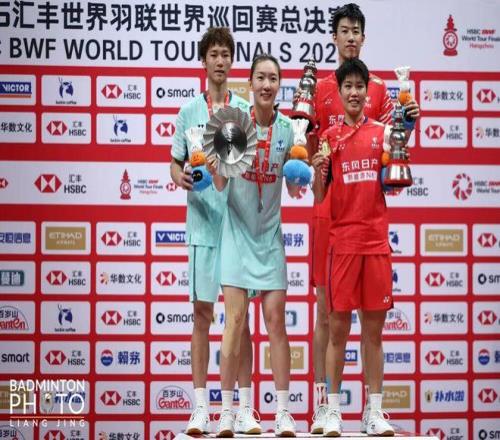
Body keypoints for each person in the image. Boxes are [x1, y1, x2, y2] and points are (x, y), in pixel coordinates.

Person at [307, 3, 420, 434]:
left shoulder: (381, 109)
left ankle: (373, 410)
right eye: (345, 30)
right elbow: (310, 159)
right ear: (334, 36)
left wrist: (409, 127)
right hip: (333, 227)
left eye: (357, 30)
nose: (354, 93)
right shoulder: (321, 100)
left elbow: (396, 159)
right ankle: (327, 407)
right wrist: (315, 170)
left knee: (373, 331)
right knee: (329, 320)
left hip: (372, 236)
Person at [170, 27, 260, 435]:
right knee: (202, 315)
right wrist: (181, 178)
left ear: (231, 61)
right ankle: (201, 409)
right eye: (214, 54)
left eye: (226, 54)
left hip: (238, 225)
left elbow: (253, 164)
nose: (220, 61)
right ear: (204, 61)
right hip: (203, 224)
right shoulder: (189, 111)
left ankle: (245, 407)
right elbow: (175, 164)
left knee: (241, 320)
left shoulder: (243, 111)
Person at [208, 54, 301, 438]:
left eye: (273, 79)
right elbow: (218, 185)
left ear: (279, 85)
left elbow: (295, 188)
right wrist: (213, 163)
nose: (266, 85)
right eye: (260, 78)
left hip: (269, 235)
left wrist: (303, 172)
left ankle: (282, 412)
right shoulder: (235, 126)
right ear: (249, 84)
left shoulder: (289, 130)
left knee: (276, 320)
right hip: (235, 232)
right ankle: (231, 411)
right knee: (235, 321)